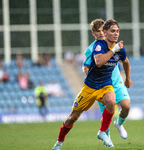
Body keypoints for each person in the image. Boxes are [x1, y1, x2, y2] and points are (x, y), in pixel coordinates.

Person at [52, 19, 132, 150]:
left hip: (106, 85)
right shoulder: (98, 45)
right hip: (90, 87)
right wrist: (114, 50)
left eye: (117, 31)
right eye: (113, 31)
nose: (116, 34)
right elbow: (99, 62)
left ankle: (102, 132)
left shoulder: (119, 49)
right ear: (105, 33)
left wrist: (128, 78)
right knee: (73, 117)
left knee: (112, 102)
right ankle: (59, 142)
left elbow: (126, 62)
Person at [82, 19, 131, 147]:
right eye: (98, 31)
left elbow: (122, 61)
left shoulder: (113, 45)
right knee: (106, 114)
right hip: (101, 85)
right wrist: (92, 77)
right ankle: (107, 138)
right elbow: (86, 66)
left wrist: (126, 77)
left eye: (102, 30)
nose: (101, 33)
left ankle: (119, 123)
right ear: (94, 33)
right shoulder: (92, 49)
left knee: (126, 106)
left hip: (116, 82)